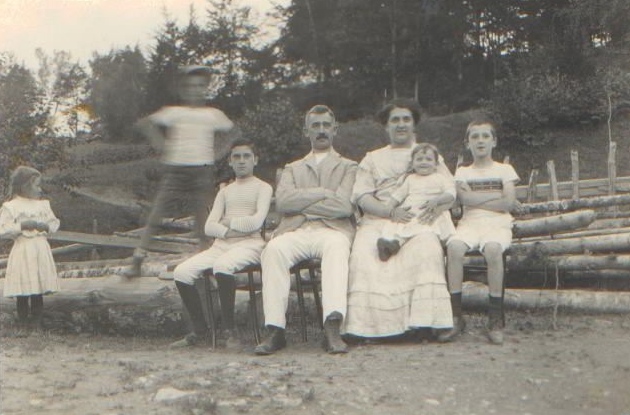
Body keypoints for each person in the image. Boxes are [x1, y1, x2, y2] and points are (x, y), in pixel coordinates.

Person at [343, 98, 454, 340]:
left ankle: (423, 323)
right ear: (386, 126)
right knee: (364, 254)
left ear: (414, 124)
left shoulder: (427, 153)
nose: (401, 124)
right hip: (378, 218)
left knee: (427, 249)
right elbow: (361, 196)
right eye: (395, 120)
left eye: (406, 119)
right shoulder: (373, 158)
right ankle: (366, 329)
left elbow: (449, 189)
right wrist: (389, 212)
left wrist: (436, 208)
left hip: (419, 219)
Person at [254, 104, 357, 355]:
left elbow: (343, 206)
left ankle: (332, 327)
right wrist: (322, 194)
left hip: (333, 230)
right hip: (296, 231)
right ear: (306, 131)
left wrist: (303, 206)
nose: (321, 131)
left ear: (335, 129)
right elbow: (284, 203)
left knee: (336, 247)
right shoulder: (293, 168)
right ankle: (275, 330)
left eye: (326, 125)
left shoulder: (349, 167)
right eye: (315, 126)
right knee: (274, 250)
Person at [126, 65, 235, 277]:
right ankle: (137, 261)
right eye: (191, 86)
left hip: (202, 172)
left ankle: (207, 264)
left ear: (206, 89)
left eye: (200, 86)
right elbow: (145, 123)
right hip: (175, 172)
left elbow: (234, 133)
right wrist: (162, 146)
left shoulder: (213, 114)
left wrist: (219, 152)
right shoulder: (174, 112)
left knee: (202, 220)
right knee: (156, 215)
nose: (195, 90)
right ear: (184, 90)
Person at [169, 139, 272, 348]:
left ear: (255, 160)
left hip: (250, 245)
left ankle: (230, 331)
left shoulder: (263, 188)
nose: (241, 161)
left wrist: (227, 224)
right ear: (230, 163)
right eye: (236, 157)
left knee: (222, 266)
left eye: (246, 156)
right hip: (222, 245)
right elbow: (209, 227)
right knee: (181, 272)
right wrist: (229, 231)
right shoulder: (224, 192)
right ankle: (201, 331)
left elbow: (256, 222)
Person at [438, 119, 519, 345]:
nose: (480, 140)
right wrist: (496, 198)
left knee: (493, 250)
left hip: (497, 223)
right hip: (469, 223)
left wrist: (479, 200)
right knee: (453, 248)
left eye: (485, 136)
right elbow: (465, 199)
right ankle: (455, 316)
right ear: (467, 143)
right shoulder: (463, 171)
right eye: (475, 136)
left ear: (494, 141)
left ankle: (495, 319)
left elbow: (509, 203)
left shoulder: (504, 169)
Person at [0, 166, 60, 330]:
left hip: (40, 247)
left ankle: (36, 323)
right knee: (24, 286)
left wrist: (45, 226)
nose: (40, 189)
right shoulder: (11, 206)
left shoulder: (42, 205)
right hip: (23, 248)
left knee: (37, 286)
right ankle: (22, 323)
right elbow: (2, 229)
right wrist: (22, 225)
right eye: (36, 186)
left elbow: (54, 223)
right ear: (25, 186)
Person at [376, 142, 456, 261]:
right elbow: (398, 195)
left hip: (430, 213)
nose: (423, 162)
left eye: (428, 159)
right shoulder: (410, 179)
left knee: (423, 227)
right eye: (419, 159)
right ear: (412, 164)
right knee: (400, 225)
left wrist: (437, 200)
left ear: (436, 164)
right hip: (412, 211)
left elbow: (451, 194)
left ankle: (398, 244)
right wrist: (391, 209)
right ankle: (392, 244)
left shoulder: (440, 178)